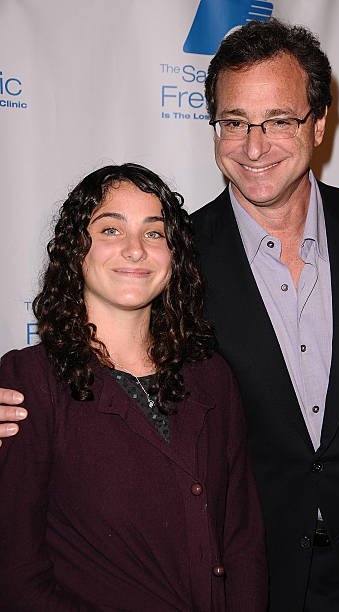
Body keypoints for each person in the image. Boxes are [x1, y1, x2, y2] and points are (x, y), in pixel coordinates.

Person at [1, 16, 339, 612]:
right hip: (248, 582)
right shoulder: (170, 263)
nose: (254, 146)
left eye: (279, 120)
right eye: (235, 122)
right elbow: (88, 377)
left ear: (319, 123)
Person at [0, 163, 267, 611]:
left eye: (154, 233)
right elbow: (15, 571)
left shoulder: (211, 375)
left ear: (174, 255)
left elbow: (242, 537)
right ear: (75, 249)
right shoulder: (28, 383)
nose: (134, 250)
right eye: (109, 229)